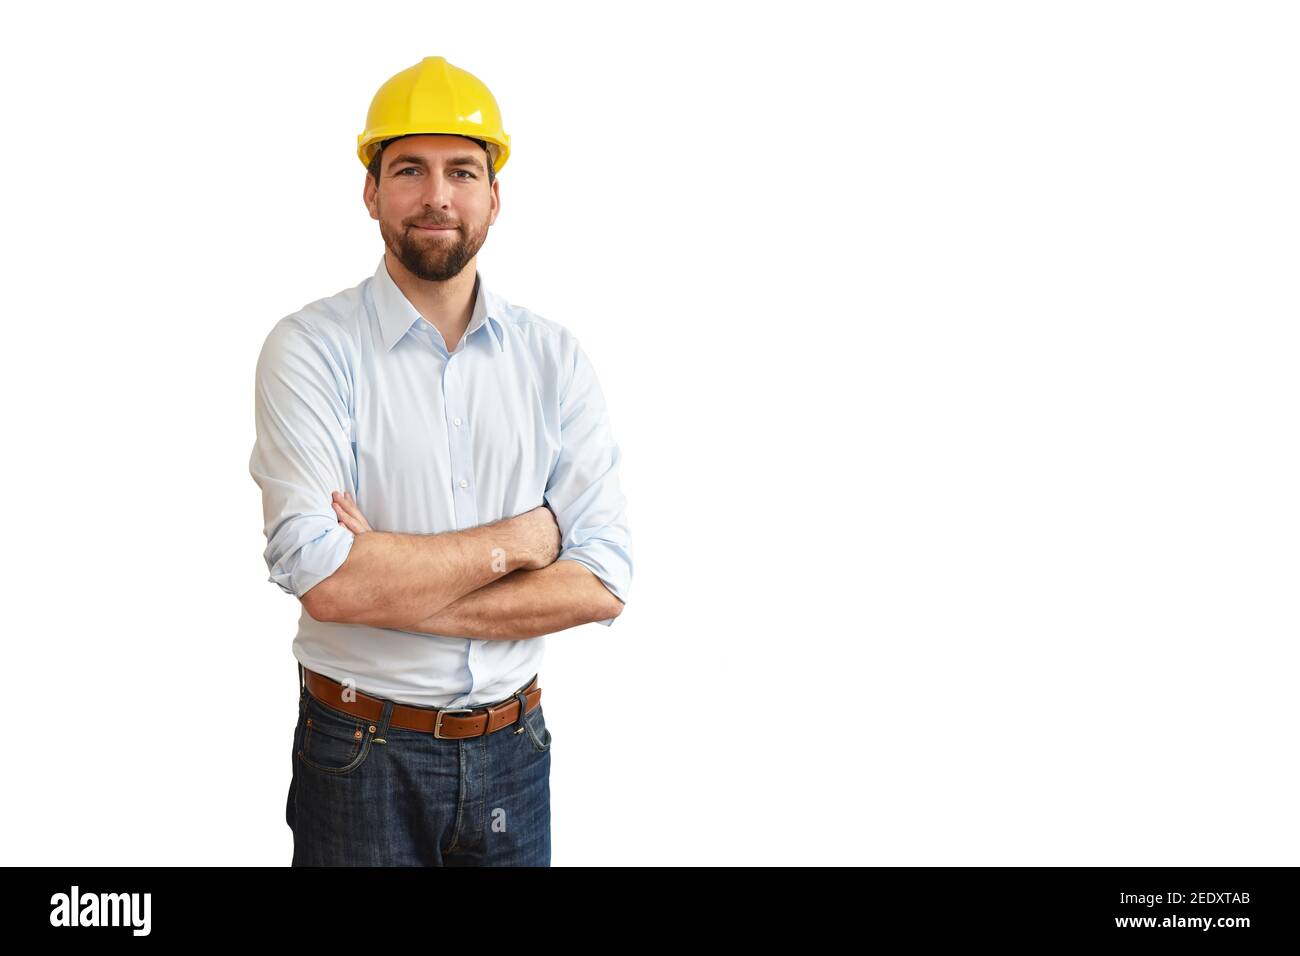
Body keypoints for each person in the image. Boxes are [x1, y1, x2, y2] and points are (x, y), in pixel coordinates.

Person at [247, 55, 634, 866]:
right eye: (409, 170)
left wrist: (383, 582)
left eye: (462, 171)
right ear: (370, 191)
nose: (437, 196)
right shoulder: (311, 351)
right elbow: (325, 577)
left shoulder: (555, 361)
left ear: (494, 196)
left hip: (513, 752)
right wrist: (525, 544)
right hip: (358, 752)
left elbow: (602, 580)